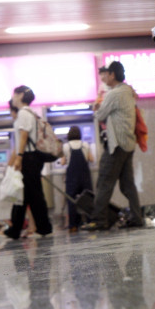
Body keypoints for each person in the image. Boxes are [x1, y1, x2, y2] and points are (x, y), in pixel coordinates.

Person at [90, 61, 143, 229]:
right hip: (128, 144)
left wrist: (96, 107)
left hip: (116, 146)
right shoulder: (128, 91)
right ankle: (136, 218)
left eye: (106, 74)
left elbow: (100, 115)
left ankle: (99, 220)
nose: (104, 77)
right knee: (128, 185)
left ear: (112, 74)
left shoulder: (114, 94)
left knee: (104, 182)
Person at [6, 86, 52, 240]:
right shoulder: (27, 113)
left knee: (34, 195)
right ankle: (15, 229)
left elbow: (23, 136)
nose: (12, 98)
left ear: (20, 95)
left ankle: (43, 228)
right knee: (25, 195)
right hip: (30, 157)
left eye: (14, 94)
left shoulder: (24, 113)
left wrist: (19, 157)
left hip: (29, 157)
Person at [60, 125, 93, 232]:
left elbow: (62, 162)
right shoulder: (85, 145)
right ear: (80, 134)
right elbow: (91, 159)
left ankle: (73, 226)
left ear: (69, 135)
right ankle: (90, 222)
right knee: (88, 198)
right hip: (84, 176)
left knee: (72, 200)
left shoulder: (65, 146)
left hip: (72, 177)